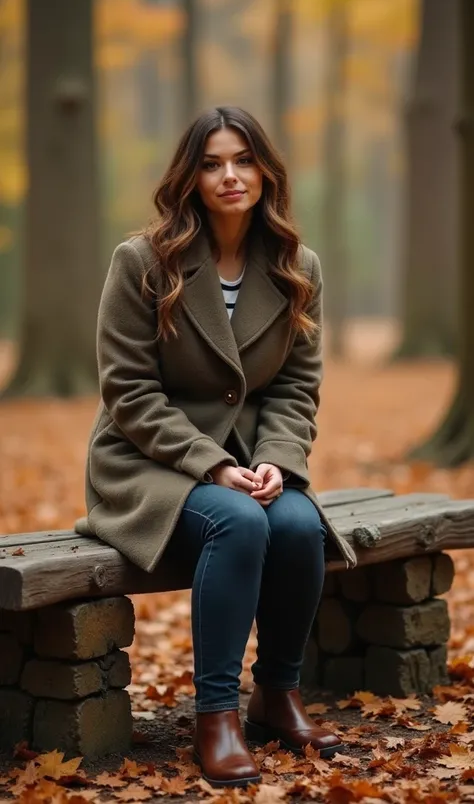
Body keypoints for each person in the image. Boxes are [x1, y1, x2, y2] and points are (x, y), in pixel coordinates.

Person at [78, 106, 356, 788]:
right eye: (211, 163)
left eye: (243, 160)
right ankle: (217, 717)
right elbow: (129, 391)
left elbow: (295, 388)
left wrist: (276, 462)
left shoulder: (298, 266)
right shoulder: (143, 261)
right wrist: (212, 464)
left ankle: (277, 695)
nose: (229, 176)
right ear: (191, 177)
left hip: (250, 462)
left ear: (265, 171)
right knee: (236, 519)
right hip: (147, 463)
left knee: (294, 520)